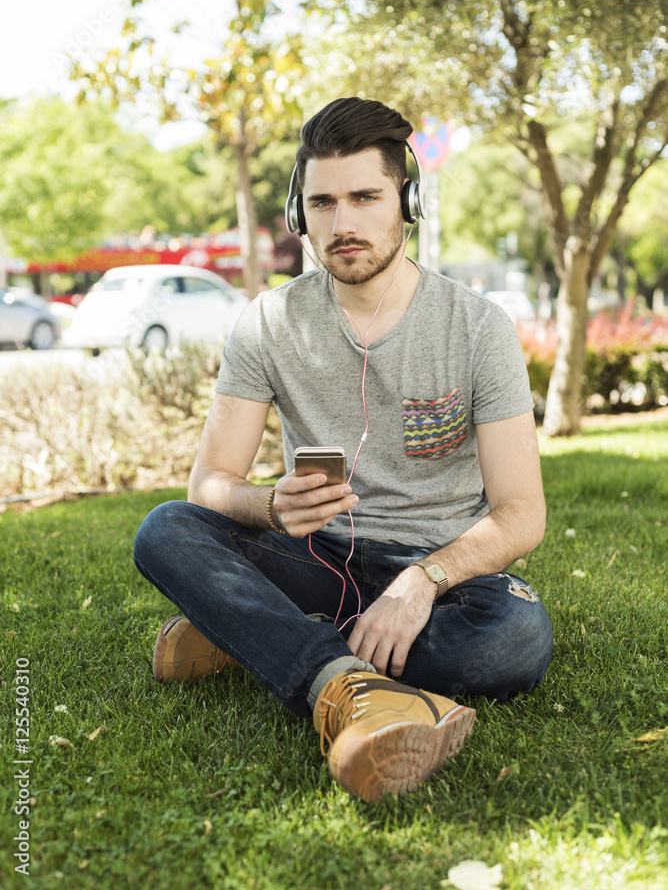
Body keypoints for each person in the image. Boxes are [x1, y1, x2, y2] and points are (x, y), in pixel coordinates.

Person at [133, 97, 553, 804]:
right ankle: (343, 684)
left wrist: (422, 582)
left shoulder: (479, 328)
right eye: (322, 202)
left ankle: (254, 633)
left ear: (407, 200)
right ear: (299, 215)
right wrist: (266, 503)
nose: (343, 222)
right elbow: (209, 482)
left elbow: (521, 516)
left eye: (366, 196)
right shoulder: (268, 322)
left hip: (445, 583)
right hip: (319, 558)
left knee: (517, 638)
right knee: (166, 529)